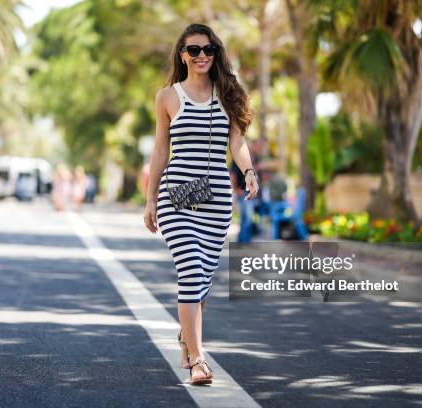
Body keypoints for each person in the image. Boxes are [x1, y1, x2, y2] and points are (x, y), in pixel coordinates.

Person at [143, 23, 258, 385]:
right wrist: (150, 199)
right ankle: (198, 360)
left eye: (208, 50)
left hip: (217, 199)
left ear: (216, 53)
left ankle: (185, 337)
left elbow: (236, 142)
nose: (202, 56)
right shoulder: (167, 97)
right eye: (194, 50)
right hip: (177, 193)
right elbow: (161, 150)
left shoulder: (228, 92)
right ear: (183, 55)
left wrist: (249, 172)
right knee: (191, 270)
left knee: (203, 280)